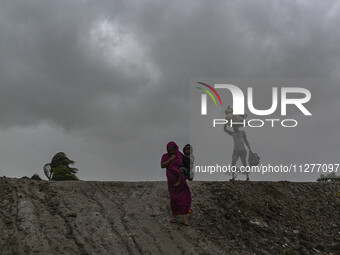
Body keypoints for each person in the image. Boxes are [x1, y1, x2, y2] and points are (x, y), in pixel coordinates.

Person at [161, 141, 192, 226]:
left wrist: (187, 172)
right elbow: (162, 165)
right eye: (169, 150)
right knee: (174, 199)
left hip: (181, 180)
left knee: (185, 198)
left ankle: (184, 218)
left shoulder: (180, 155)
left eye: (172, 149)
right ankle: (174, 217)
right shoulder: (165, 156)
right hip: (171, 181)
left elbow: (186, 164)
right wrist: (171, 159)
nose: (171, 151)